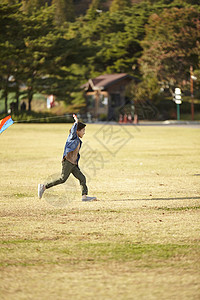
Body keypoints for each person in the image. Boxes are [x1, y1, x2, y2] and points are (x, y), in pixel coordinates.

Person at [38, 114, 97, 202]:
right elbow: (73, 130)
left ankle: (84, 197)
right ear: (77, 131)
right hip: (68, 162)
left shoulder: (79, 141)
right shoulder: (73, 137)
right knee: (62, 179)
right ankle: (44, 186)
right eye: (83, 130)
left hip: (73, 164)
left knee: (82, 178)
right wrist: (76, 122)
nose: (84, 132)